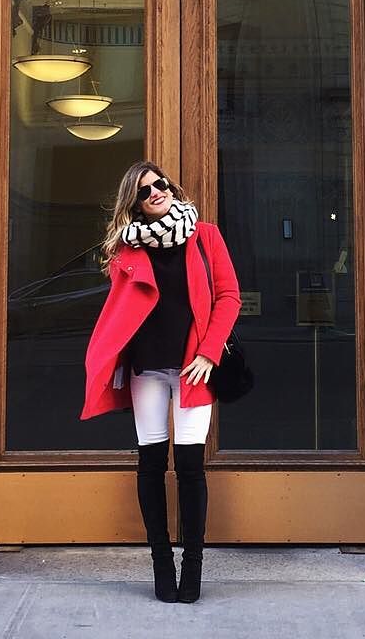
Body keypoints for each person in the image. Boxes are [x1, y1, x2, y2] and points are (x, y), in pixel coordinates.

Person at [81, 161, 242, 603]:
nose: (157, 191)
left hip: (194, 369)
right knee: (151, 465)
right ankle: (161, 564)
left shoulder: (204, 235)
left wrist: (209, 351)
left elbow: (229, 296)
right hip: (147, 369)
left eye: (161, 183)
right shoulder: (126, 250)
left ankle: (192, 567)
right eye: (145, 189)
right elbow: (119, 310)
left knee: (190, 469)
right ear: (133, 202)